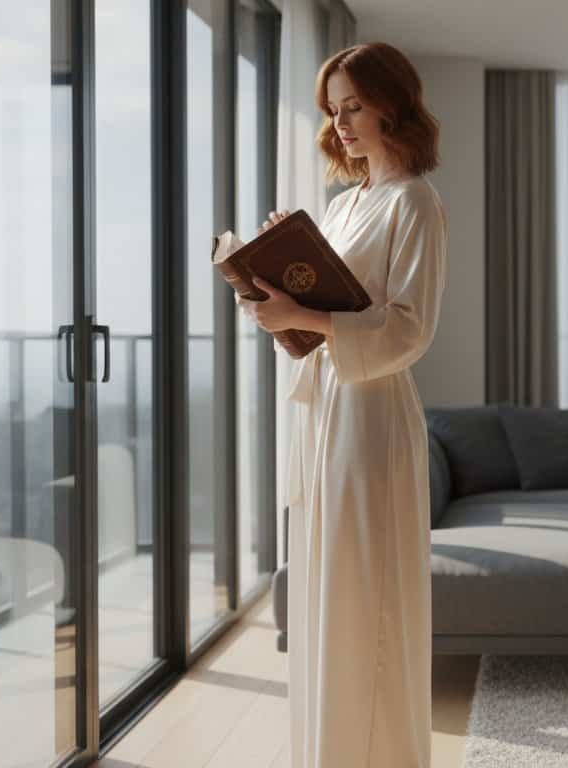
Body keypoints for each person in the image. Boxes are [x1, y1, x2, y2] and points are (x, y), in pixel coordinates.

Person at [238, 41, 446, 768]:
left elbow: (411, 328)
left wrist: (314, 316)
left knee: (369, 598)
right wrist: (276, 294)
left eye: (354, 104)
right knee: (329, 593)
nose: (344, 121)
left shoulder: (414, 200)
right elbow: (315, 323)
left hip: (372, 415)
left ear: (393, 101)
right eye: (335, 108)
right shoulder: (342, 203)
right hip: (326, 409)